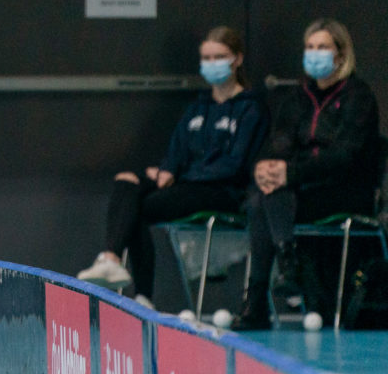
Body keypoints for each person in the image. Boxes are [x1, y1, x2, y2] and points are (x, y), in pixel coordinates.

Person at [77, 27, 268, 308]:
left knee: (139, 209)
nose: (212, 63)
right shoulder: (197, 107)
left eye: (220, 56)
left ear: (237, 59)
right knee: (127, 181)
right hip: (185, 183)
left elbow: (235, 165)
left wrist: (178, 176)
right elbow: (177, 149)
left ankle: (132, 284)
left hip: (223, 191)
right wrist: (167, 169)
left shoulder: (251, 109)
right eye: (207, 57)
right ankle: (115, 264)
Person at [232, 18, 380, 331]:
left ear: (340, 54)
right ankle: (286, 266)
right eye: (310, 47)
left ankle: (260, 299)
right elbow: (278, 142)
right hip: (300, 188)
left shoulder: (358, 96)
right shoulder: (298, 98)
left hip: (343, 189)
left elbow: (345, 156)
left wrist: (290, 173)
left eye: (323, 47)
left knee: (267, 199)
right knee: (262, 196)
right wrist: (266, 166)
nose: (315, 53)